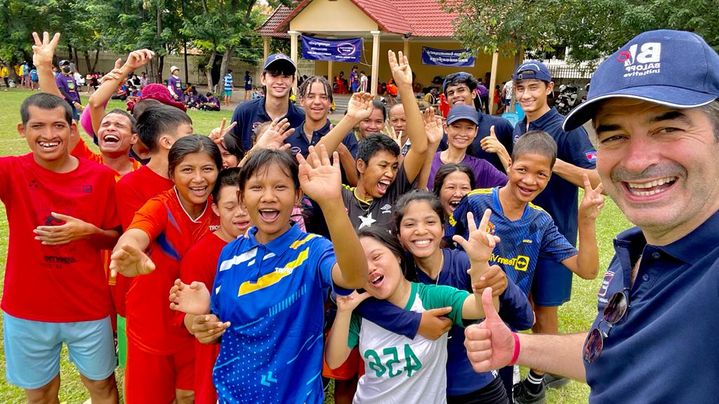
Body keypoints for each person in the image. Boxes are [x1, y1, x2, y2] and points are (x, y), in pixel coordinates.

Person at [464, 29, 719, 403]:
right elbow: (614, 352)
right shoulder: (635, 250)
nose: (636, 160)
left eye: (668, 128)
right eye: (614, 136)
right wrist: (517, 347)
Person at [169, 145, 368, 402]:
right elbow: (221, 326)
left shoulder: (313, 250)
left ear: (297, 196)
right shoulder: (230, 254)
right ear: (242, 198)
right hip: (232, 396)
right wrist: (200, 322)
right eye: (257, 188)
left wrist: (331, 203)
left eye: (280, 187)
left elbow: (354, 277)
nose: (268, 196)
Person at [1, 93, 120, 403]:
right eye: (38, 126)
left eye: (58, 126)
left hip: (88, 307)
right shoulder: (10, 171)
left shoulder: (102, 178)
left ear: (71, 129)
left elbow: (115, 237)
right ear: (22, 130)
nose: (49, 136)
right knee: (39, 394)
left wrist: (88, 232)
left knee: (103, 388)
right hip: (26, 307)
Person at [325, 205, 500, 403]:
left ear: (397, 256)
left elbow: (483, 307)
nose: (370, 268)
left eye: (376, 257)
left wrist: (479, 263)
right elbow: (334, 360)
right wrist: (345, 310)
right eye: (361, 265)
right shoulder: (363, 309)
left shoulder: (431, 297)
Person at [509, 60, 600, 401]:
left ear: (549, 89)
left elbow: (596, 179)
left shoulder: (565, 128)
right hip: (519, 233)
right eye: (521, 88)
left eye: (534, 87)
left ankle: (538, 382)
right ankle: (550, 369)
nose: (527, 94)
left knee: (545, 309)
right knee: (525, 304)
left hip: (554, 234)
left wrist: (551, 163)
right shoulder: (520, 126)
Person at [110, 135, 222, 403]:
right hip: (152, 329)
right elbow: (138, 231)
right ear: (171, 173)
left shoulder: (221, 211)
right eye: (187, 170)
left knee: (191, 396)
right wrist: (129, 249)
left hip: (197, 330)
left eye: (207, 169)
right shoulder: (160, 205)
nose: (198, 179)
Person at [393, 191, 533, 403]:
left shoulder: (466, 263)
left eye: (430, 222)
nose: (420, 231)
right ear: (398, 235)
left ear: (442, 229)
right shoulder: (398, 274)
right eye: (410, 224)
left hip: (478, 385)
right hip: (423, 389)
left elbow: (525, 318)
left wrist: (499, 282)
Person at [177, 167, 250, 404]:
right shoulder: (200, 255)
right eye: (230, 207)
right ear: (216, 208)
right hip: (219, 360)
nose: (241, 214)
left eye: (246, 204)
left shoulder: (275, 245)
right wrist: (199, 322)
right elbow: (189, 318)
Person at [229, 53, 304, 152]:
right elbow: (230, 153)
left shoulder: (302, 118)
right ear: (263, 78)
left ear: (293, 81)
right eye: (274, 75)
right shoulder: (244, 111)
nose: (280, 81)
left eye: (285, 76)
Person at [442, 72, 514, 173]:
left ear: (473, 93)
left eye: (461, 90)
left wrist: (500, 150)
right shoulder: (443, 132)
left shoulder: (500, 126)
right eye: (451, 93)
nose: (456, 95)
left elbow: (518, 165)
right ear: (446, 100)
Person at [426, 104, 507, 191]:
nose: (462, 133)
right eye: (456, 127)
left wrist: (501, 150)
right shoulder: (429, 161)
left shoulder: (482, 167)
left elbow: (514, 185)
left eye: (469, 128)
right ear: (446, 128)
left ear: (476, 132)